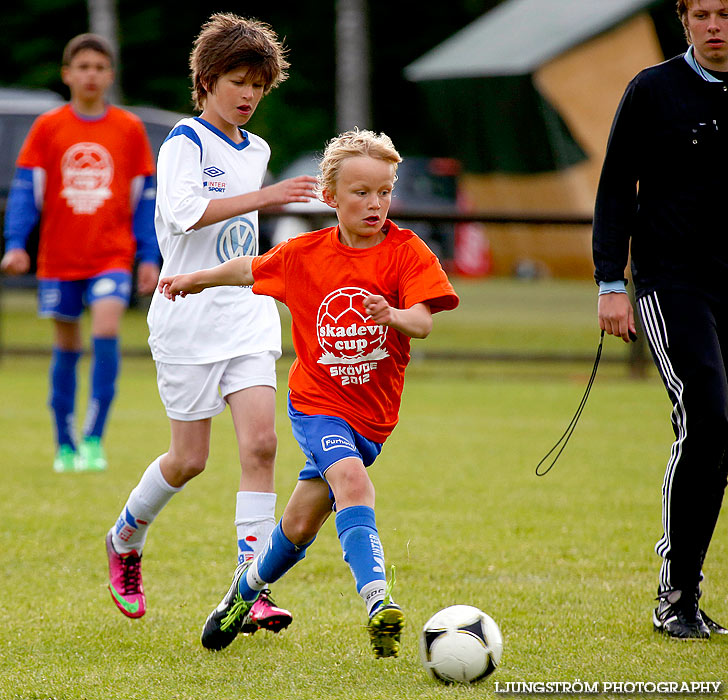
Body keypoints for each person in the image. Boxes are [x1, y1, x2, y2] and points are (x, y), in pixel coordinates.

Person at [158, 128, 460, 657]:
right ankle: (378, 600)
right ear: (331, 197)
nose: (375, 203)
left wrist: (394, 315)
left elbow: (424, 320)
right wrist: (196, 279)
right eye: (361, 193)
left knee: (298, 525)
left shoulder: (407, 252)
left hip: (373, 417)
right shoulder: (305, 254)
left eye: (384, 192)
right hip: (317, 404)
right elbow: (248, 269)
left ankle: (244, 591)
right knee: (351, 480)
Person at [104, 13, 317, 631]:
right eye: (237, 80)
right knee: (188, 459)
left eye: (258, 84)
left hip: (247, 311)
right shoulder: (184, 143)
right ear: (207, 79)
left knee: (261, 444)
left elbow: (244, 232)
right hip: (185, 317)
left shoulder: (259, 150)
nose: (248, 95)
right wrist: (270, 196)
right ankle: (125, 536)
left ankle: (252, 589)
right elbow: (184, 212)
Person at [593, 0, 728, 640]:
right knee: (707, 413)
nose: (715, 26)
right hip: (673, 284)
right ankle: (677, 594)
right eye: (702, 14)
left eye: (725, 13)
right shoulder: (653, 90)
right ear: (684, 21)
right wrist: (610, 283)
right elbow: (617, 185)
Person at [0, 33, 159, 473]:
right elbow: (24, 193)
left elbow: (144, 197)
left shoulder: (127, 129)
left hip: (111, 255)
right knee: (66, 346)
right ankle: (64, 441)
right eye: (82, 67)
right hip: (60, 259)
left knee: (106, 328)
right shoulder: (48, 127)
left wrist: (148, 255)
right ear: (67, 74)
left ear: (109, 75)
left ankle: (94, 437)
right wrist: (15, 245)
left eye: (99, 67)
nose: (91, 75)